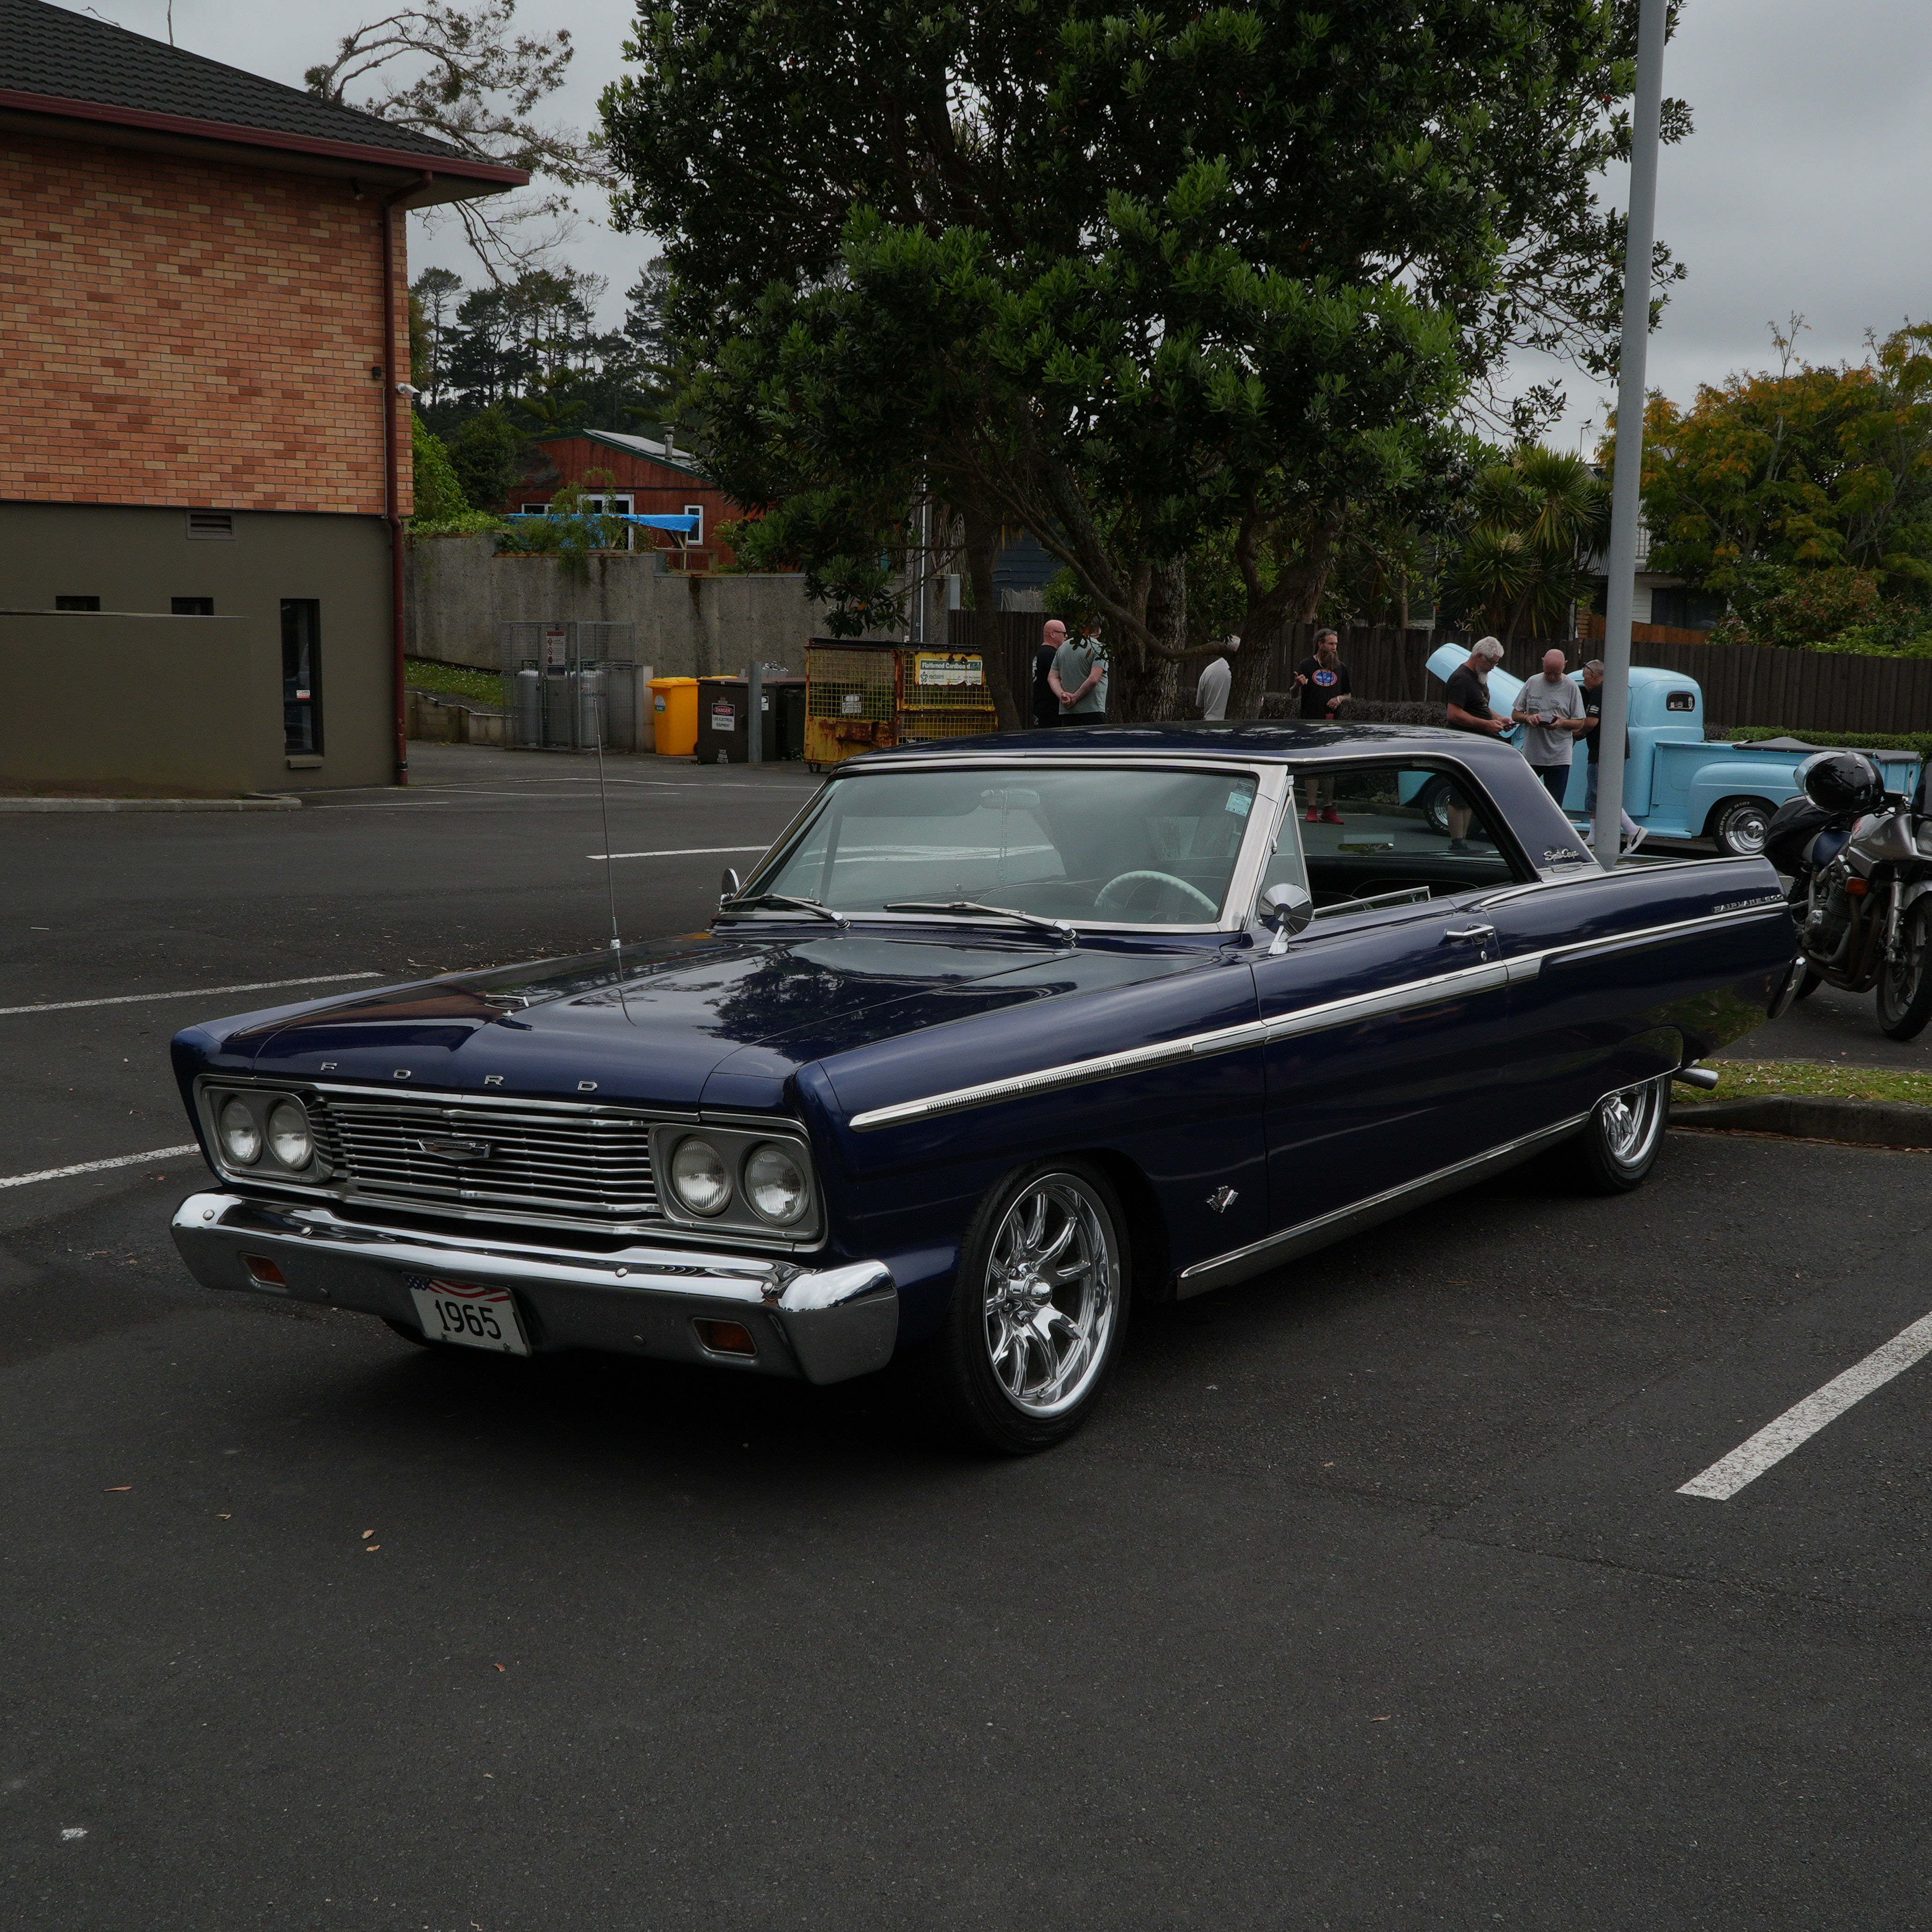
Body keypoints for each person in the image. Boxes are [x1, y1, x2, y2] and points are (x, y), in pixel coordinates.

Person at [1440, 636, 1511, 847]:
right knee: (1459, 795)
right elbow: (1454, 714)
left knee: (1470, 796)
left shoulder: (1479, 678)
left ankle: (1464, 840)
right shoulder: (1462, 679)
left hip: (1477, 743)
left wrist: (1499, 719)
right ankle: (1457, 842)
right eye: (1492, 663)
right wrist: (1485, 725)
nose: (1493, 668)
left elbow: (1481, 706)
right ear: (1480, 656)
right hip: (1463, 743)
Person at [1576, 659, 1644, 851]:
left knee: (1603, 794)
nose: (1584, 682)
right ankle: (1594, 836)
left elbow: (1592, 721)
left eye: (1585, 678)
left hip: (1604, 752)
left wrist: (1577, 733)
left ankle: (1633, 830)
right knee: (1595, 794)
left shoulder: (1599, 691)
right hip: (1611, 750)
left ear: (1592, 675)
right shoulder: (1612, 689)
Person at [1512, 647, 1588, 804]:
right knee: (1525, 800)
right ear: (1542, 663)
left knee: (1554, 803)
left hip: (1559, 756)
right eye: (1548, 673)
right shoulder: (1532, 682)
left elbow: (1580, 722)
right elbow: (1515, 714)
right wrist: (1528, 718)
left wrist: (1562, 723)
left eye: (1557, 674)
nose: (1552, 677)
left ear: (1565, 665)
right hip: (1533, 754)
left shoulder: (1571, 687)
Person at [1296, 629, 1352, 820]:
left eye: (1336, 644)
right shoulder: (1306, 665)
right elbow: (1293, 694)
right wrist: (1298, 685)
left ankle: (1328, 808)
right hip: (1311, 723)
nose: (1334, 648)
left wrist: (1339, 699)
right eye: (1331, 644)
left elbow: (1349, 694)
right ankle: (1312, 808)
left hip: (1333, 725)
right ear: (1320, 644)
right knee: (1312, 766)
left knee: (1330, 766)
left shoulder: (1341, 668)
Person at [1049, 625, 1109, 724]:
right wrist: (1075, 698)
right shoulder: (1099, 648)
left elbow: (1052, 677)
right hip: (1092, 710)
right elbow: (1094, 680)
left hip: (1067, 712)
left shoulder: (1062, 648)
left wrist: (1063, 696)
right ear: (1099, 629)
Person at [1196, 635, 1240, 721]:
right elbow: (1260, 702)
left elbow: (1200, 704)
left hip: (1209, 723)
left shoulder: (1208, 670)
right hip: (1233, 724)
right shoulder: (1240, 673)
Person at [1032, 619, 1065, 729]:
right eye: (1063, 633)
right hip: (1051, 709)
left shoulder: (1040, 653)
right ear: (1052, 634)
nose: (1065, 637)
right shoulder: (1051, 655)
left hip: (1040, 707)